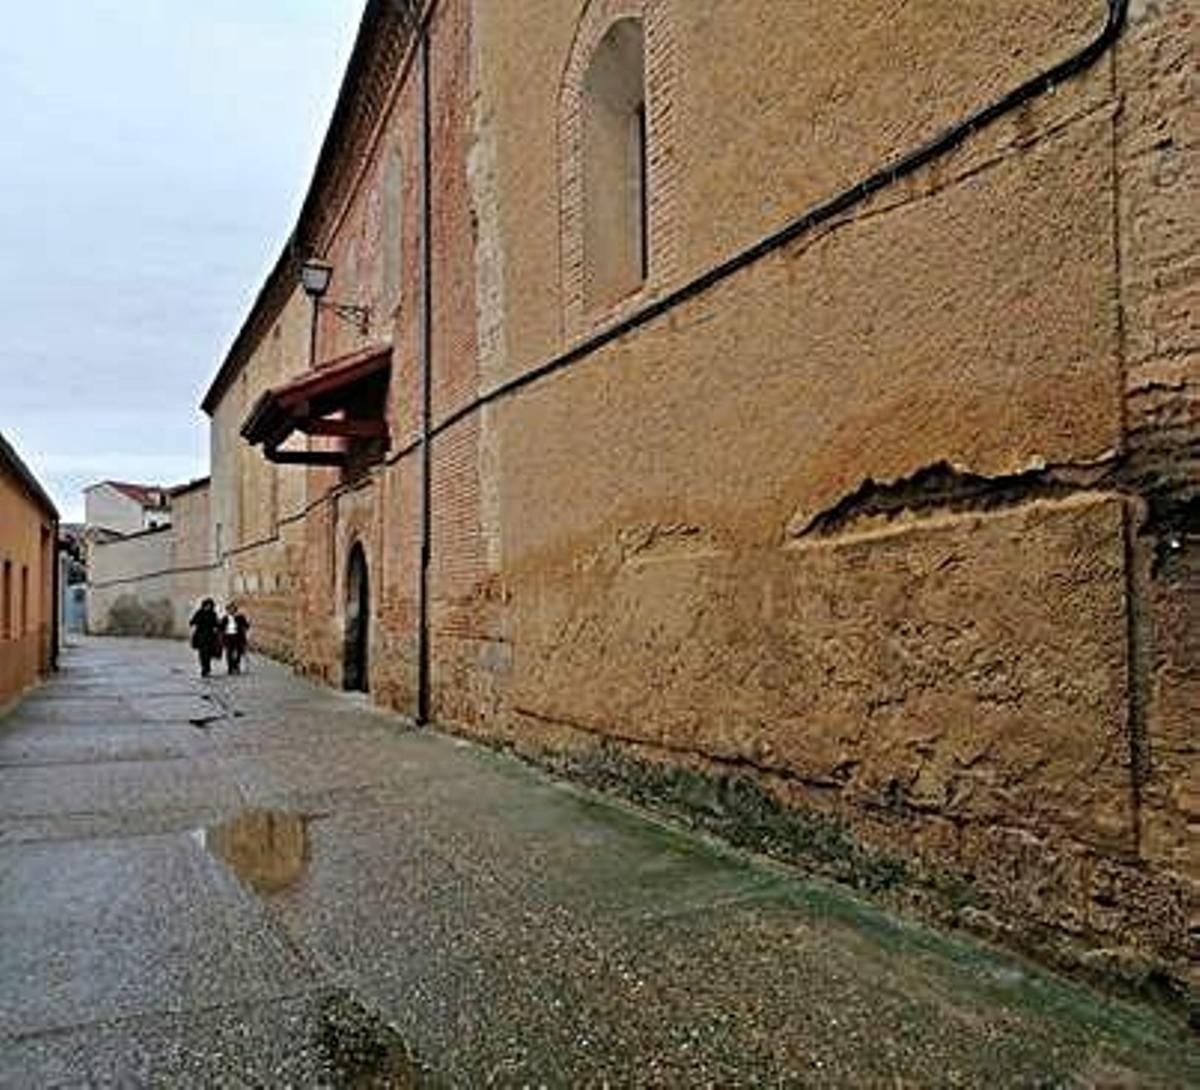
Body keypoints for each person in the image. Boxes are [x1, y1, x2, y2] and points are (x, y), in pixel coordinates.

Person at [188, 598, 222, 678]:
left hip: (210, 636)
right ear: (204, 606)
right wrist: (196, 622)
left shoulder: (213, 614)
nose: (208, 607)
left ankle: (207, 668)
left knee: (208, 653)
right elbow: (192, 622)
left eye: (210, 605)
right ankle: (204, 668)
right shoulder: (199, 613)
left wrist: (219, 625)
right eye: (207, 605)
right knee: (202, 654)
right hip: (201, 636)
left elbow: (216, 624)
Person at [222, 603, 251, 674]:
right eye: (229, 609)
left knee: (238, 652)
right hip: (228, 637)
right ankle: (230, 667)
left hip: (238, 637)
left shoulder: (240, 617)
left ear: (235, 610)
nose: (231, 610)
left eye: (232, 609)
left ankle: (236, 665)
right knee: (229, 653)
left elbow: (246, 626)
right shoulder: (225, 618)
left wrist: (248, 624)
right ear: (227, 610)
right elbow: (221, 627)